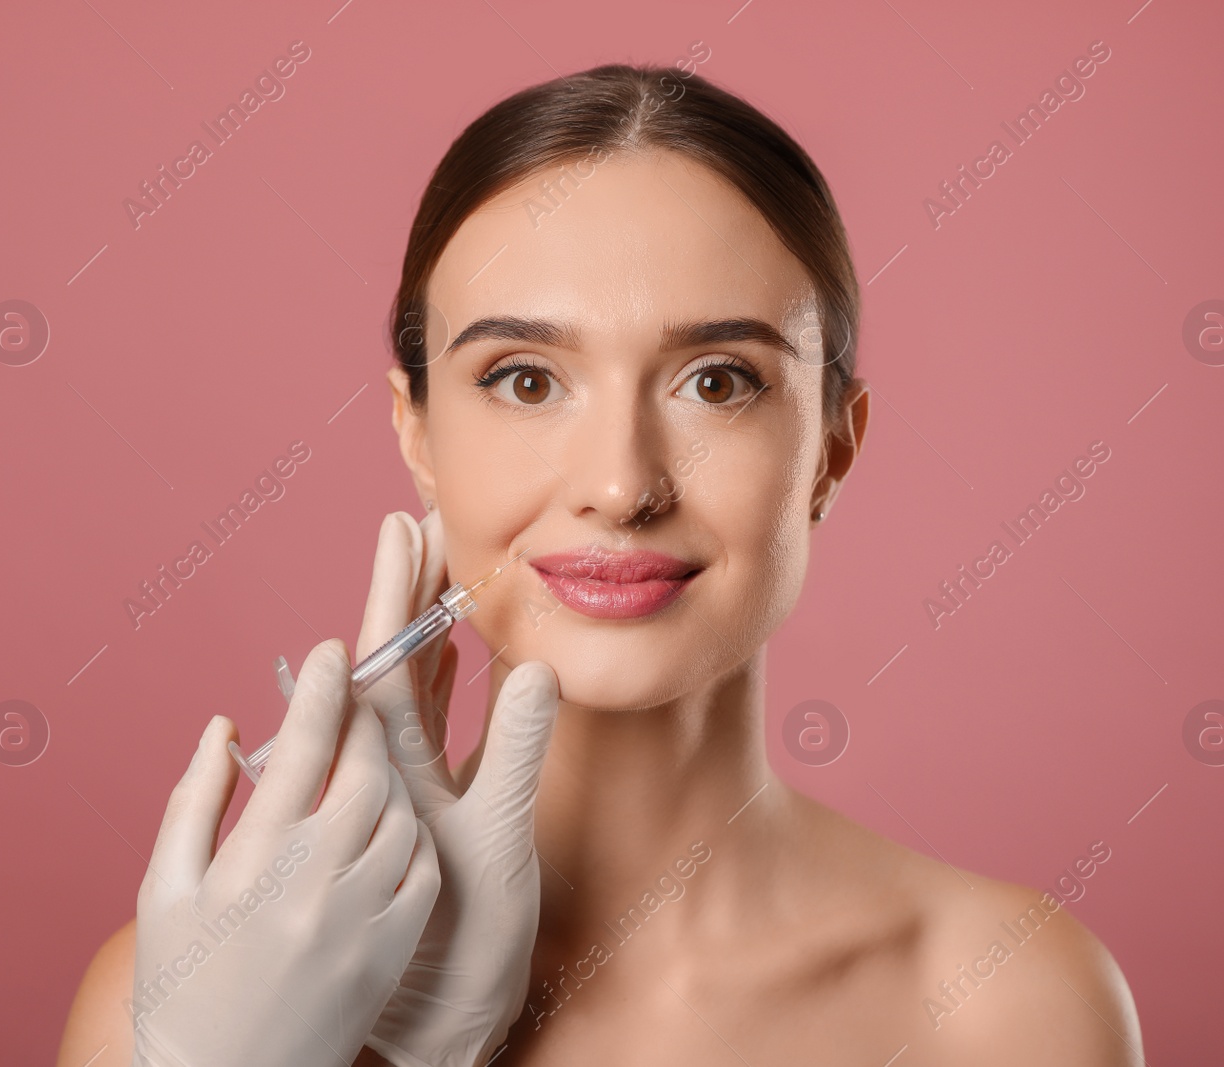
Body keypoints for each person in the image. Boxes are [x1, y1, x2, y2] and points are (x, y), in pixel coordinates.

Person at [58, 62, 1143, 1066]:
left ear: (831, 447)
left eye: (717, 381)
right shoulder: (187, 1000)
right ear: (418, 433)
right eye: (526, 380)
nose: (622, 486)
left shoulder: (1007, 1005)